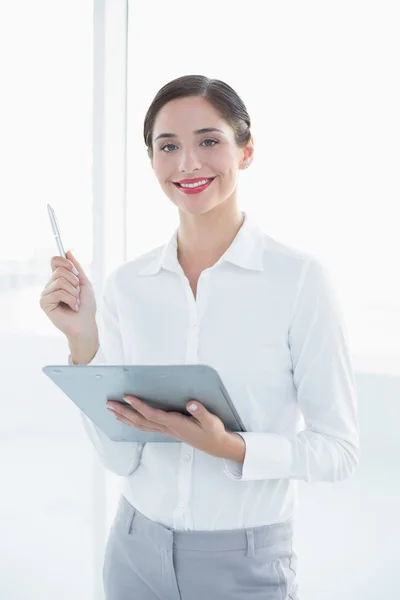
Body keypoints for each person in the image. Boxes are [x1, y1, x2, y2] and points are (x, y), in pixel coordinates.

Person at [39, 74, 360, 600]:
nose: (188, 163)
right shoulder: (127, 285)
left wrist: (231, 448)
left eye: (209, 141)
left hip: (246, 564)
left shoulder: (299, 280)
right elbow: (121, 458)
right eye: (169, 146)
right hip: (134, 552)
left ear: (247, 150)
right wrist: (82, 341)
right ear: (152, 162)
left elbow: (338, 450)